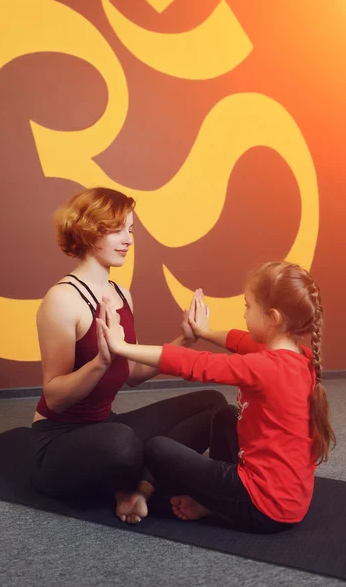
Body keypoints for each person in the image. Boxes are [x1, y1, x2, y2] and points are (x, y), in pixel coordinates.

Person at [30, 187, 227, 524]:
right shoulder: (62, 300)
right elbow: (55, 397)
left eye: (131, 230)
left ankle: (139, 490)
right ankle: (133, 478)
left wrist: (186, 340)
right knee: (123, 444)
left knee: (213, 404)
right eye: (117, 229)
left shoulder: (121, 293)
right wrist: (100, 363)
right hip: (58, 441)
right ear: (89, 230)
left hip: (105, 426)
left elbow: (133, 374)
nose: (128, 239)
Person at [97, 261, 336, 533]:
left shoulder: (264, 367)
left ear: (273, 318)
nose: (244, 314)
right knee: (225, 415)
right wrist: (204, 332)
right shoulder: (300, 358)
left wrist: (122, 347)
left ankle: (219, 504)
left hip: (262, 507)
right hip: (289, 502)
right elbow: (242, 340)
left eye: (248, 306)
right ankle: (217, 501)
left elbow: (196, 363)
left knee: (157, 449)